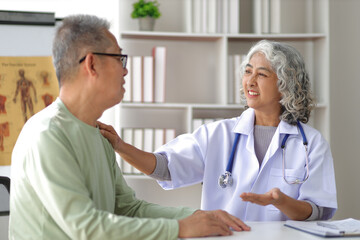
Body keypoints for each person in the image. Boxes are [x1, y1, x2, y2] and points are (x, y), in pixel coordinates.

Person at [9, 14, 250, 239]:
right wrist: (180, 228)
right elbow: (86, 227)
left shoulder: (97, 134)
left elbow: (128, 208)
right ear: (92, 64)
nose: (125, 70)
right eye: (119, 58)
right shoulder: (47, 135)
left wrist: (195, 217)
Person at [99, 40, 337, 222]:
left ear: (285, 86)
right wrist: (120, 146)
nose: (250, 81)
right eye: (248, 71)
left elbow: (317, 211)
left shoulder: (311, 143)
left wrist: (281, 202)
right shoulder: (218, 134)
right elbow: (164, 168)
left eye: (262, 74)